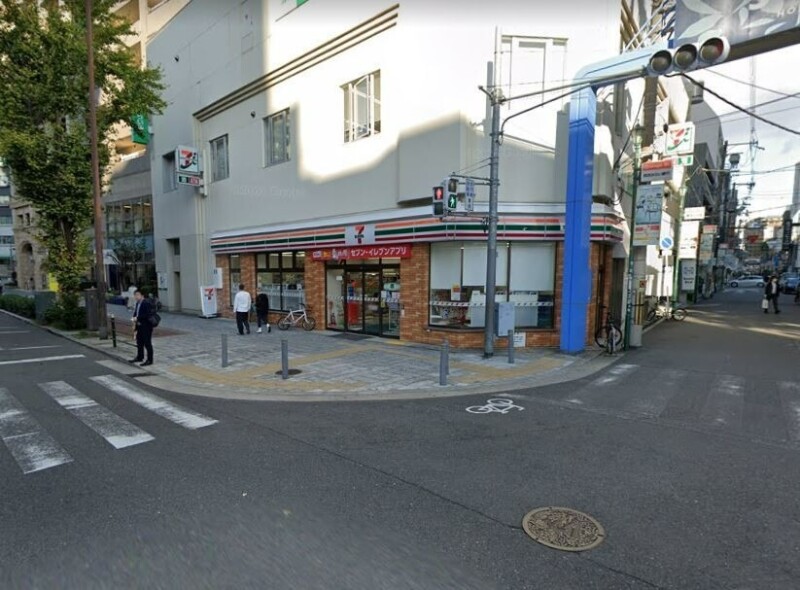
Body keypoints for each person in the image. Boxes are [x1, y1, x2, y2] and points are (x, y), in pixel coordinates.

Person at [129, 290, 154, 366]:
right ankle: (140, 357)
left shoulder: (146, 303)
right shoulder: (137, 303)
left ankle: (150, 360)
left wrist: (137, 318)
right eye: (135, 295)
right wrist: (134, 318)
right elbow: (136, 312)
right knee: (139, 342)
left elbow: (147, 314)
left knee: (147, 343)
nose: (136, 297)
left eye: (137, 295)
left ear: (142, 296)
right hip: (139, 325)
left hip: (146, 326)